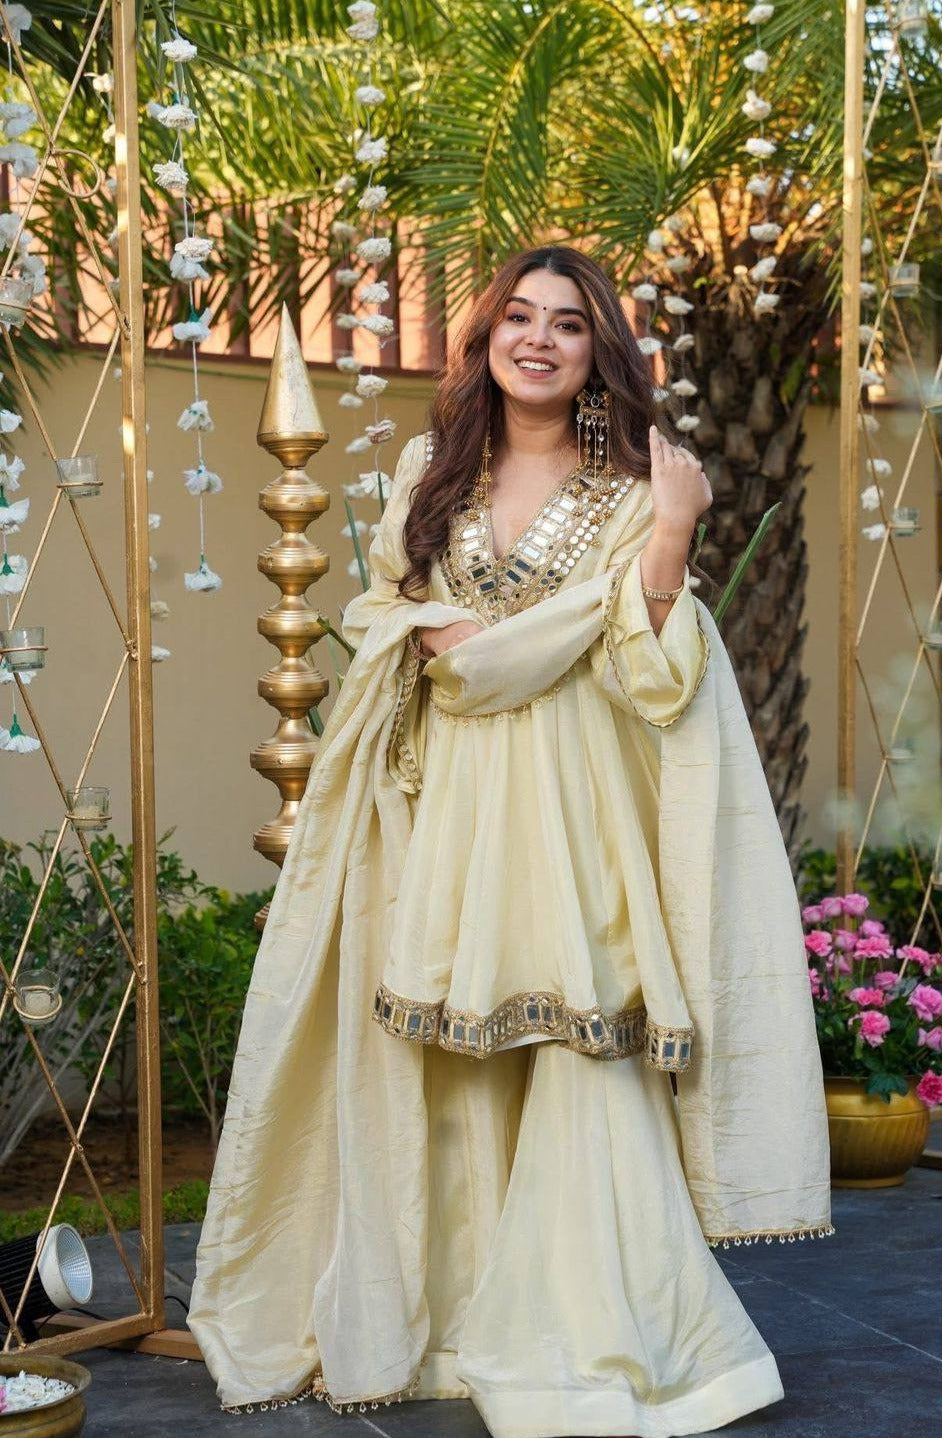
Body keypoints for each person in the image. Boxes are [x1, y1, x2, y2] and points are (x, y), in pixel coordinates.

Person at [187, 245, 832, 1437]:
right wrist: (441, 634)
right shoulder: (435, 471)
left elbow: (652, 673)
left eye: (569, 325)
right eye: (519, 317)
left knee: (585, 1059)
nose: (538, 338)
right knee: (442, 1071)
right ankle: (448, 1316)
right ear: (485, 336)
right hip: (448, 802)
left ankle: (598, 1339)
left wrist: (679, 532)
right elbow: (389, 607)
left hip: (574, 802)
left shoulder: (644, 484)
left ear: (600, 356)